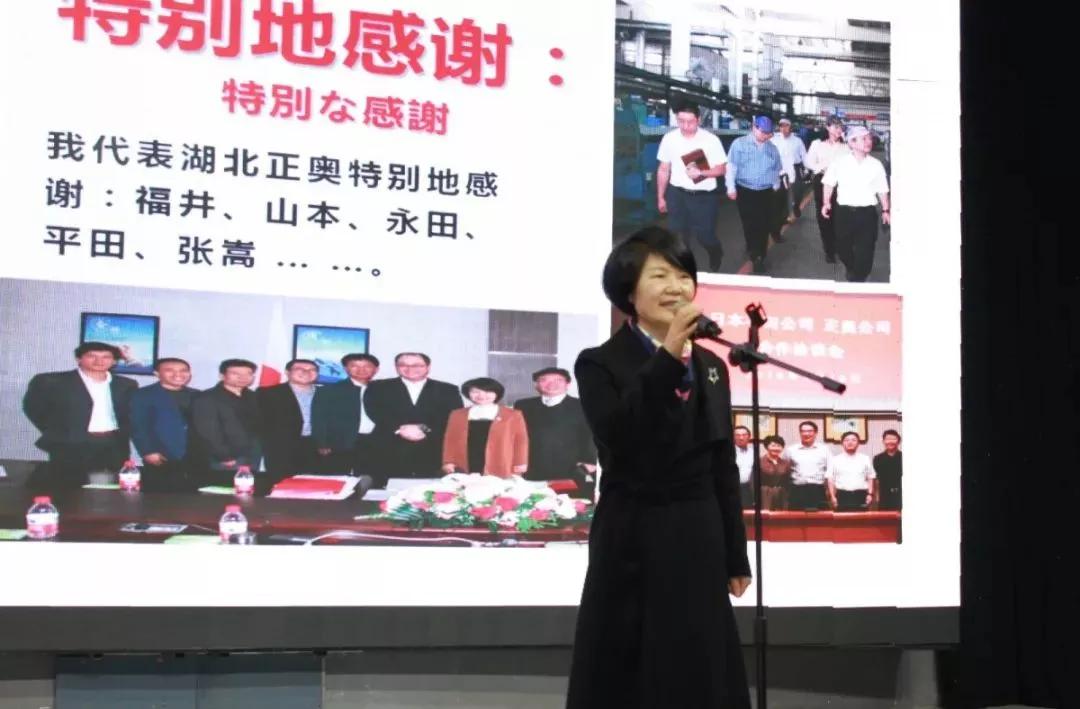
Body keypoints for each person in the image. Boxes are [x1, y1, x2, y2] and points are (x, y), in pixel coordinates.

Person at [566, 226, 751, 709]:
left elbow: (722, 463)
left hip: (698, 529)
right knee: (632, 663)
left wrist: (735, 554)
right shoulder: (599, 363)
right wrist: (668, 355)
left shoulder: (712, 365)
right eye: (660, 276)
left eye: (684, 276)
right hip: (634, 529)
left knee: (699, 661)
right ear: (629, 292)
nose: (677, 287)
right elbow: (620, 436)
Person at [23, 341, 138, 490]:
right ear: (79, 359)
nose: (99, 361)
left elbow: (130, 414)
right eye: (92, 356)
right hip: (70, 443)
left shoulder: (126, 384)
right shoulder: (52, 381)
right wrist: (59, 430)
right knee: (68, 488)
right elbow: (33, 408)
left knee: (108, 488)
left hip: (112, 443)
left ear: (114, 361)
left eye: (106, 357)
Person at [655, 101, 729, 270]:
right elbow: (664, 169)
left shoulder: (711, 140)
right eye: (681, 121)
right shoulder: (669, 138)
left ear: (699, 120)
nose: (686, 126)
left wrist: (701, 173)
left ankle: (715, 251)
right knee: (678, 236)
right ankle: (683, 267)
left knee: (705, 236)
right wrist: (661, 197)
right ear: (676, 119)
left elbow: (721, 169)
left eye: (690, 122)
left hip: (703, 196)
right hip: (677, 194)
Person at [365, 352, 462, 478]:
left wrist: (423, 428)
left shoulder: (448, 389)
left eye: (416, 365)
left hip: (431, 448)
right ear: (396, 367)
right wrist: (399, 428)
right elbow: (374, 411)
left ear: (428, 367)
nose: (410, 369)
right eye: (403, 365)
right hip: (388, 447)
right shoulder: (377, 386)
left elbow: (453, 415)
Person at [821, 125, 891, 281]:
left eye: (869, 138)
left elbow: (882, 189)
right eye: (863, 139)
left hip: (867, 214)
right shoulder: (839, 162)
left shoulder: (876, 165)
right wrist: (826, 203)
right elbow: (828, 183)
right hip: (844, 213)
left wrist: (886, 210)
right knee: (842, 248)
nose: (869, 141)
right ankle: (852, 268)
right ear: (851, 143)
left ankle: (858, 277)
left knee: (866, 250)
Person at [514, 367, 597, 496]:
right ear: (536, 385)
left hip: (572, 467)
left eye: (558, 380)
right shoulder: (523, 405)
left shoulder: (583, 405)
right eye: (544, 380)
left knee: (572, 504)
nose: (551, 384)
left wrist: (590, 461)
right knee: (533, 503)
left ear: (568, 384)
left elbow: (593, 435)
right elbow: (515, 435)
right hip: (532, 467)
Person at [129, 357, 199, 492]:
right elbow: (138, 426)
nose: (178, 374)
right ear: (157, 373)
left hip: (194, 455)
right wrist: (148, 451)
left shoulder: (197, 395)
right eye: (170, 370)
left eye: (183, 370)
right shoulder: (142, 395)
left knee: (193, 496)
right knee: (160, 496)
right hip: (161, 453)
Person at [188, 358, 262, 485]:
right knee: (224, 490)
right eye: (235, 373)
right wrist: (224, 456)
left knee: (246, 489)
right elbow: (208, 431)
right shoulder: (207, 398)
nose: (243, 377)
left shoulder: (253, 396)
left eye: (248, 374)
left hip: (251, 454)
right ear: (222, 375)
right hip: (226, 457)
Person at [311, 353, 382, 483]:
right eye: (354, 366)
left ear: (376, 369)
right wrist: (322, 442)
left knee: (372, 479)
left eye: (367, 366)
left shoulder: (382, 390)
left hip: (374, 441)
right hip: (341, 442)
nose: (361, 370)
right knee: (338, 480)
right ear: (345, 368)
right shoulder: (330, 390)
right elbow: (319, 418)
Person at [726, 115, 784, 273]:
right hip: (745, 191)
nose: (765, 136)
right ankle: (753, 248)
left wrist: (776, 184)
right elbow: (731, 167)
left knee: (764, 224)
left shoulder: (772, 149)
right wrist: (730, 187)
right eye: (762, 132)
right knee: (749, 223)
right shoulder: (739, 144)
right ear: (754, 127)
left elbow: (776, 169)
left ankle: (759, 256)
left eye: (768, 133)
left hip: (765, 192)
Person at [441, 377, 528, 478]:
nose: (481, 395)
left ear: (497, 393)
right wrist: (448, 461)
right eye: (475, 392)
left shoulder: (513, 415)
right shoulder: (457, 414)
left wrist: (521, 462)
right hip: (466, 461)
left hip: (500, 460)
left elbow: (521, 440)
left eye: (487, 391)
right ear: (468, 393)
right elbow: (450, 439)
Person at [257, 359, 321, 482]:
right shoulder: (268, 393)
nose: (306, 372)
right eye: (300, 369)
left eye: (312, 370)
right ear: (287, 372)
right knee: (281, 485)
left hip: (317, 448)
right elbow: (260, 423)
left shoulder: (326, 394)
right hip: (282, 449)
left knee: (316, 486)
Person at [804, 115, 848, 263]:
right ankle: (829, 249)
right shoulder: (817, 144)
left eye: (841, 127)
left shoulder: (846, 146)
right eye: (836, 126)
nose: (839, 130)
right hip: (822, 182)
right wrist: (821, 167)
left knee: (839, 216)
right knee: (824, 216)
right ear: (828, 127)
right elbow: (808, 162)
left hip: (840, 184)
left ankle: (837, 244)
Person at [827, 431, 877, 511]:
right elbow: (830, 480)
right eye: (847, 440)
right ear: (842, 443)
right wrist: (832, 496)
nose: (850, 442)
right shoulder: (835, 460)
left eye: (853, 440)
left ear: (858, 443)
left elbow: (870, 477)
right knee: (841, 519)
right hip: (842, 495)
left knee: (862, 518)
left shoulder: (865, 458)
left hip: (861, 495)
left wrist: (870, 494)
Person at [872, 429, 903, 510]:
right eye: (888, 439)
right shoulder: (877, 458)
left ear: (899, 441)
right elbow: (876, 480)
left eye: (893, 439)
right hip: (884, 496)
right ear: (883, 441)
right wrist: (877, 497)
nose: (890, 441)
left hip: (902, 495)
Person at [759, 434, 791, 510]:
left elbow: (788, 482)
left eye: (779, 446)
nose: (776, 448)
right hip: (764, 496)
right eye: (773, 445)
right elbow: (753, 483)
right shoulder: (759, 462)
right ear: (767, 447)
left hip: (781, 496)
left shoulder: (785, 463)